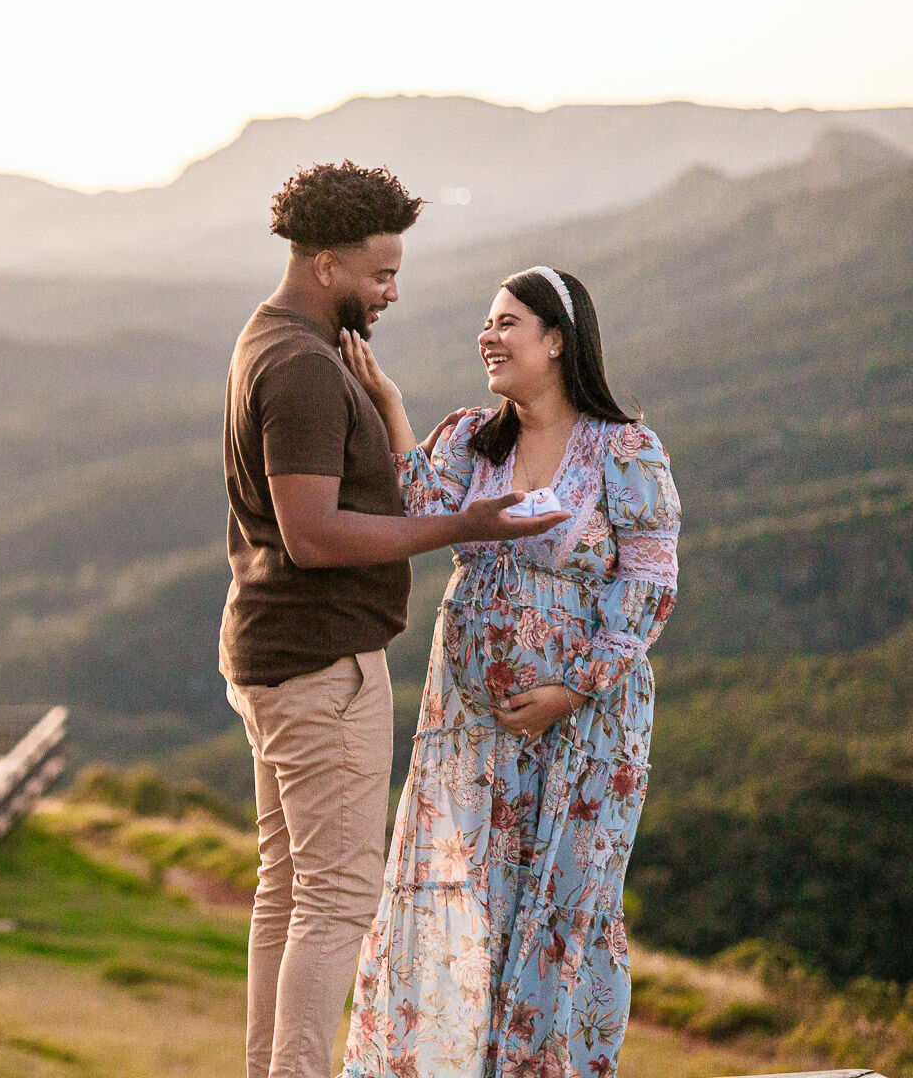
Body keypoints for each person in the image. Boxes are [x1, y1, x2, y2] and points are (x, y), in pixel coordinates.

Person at [222, 162, 570, 1078]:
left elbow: (334, 497)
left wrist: (386, 413)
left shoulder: (277, 341)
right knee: (338, 897)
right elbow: (312, 533)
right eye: (380, 274)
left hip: (274, 653)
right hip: (319, 663)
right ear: (328, 264)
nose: (391, 291)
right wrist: (468, 523)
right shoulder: (299, 365)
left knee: (290, 887)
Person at [337, 265, 680, 1078]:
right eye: (486, 323)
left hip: (585, 734)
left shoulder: (625, 451)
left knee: (561, 910)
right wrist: (389, 406)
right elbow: (412, 510)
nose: (487, 336)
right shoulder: (469, 438)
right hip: (468, 731)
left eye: (507, 323)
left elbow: (651, 582)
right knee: (465, 908)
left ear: (557, 340)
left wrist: (572, 688)